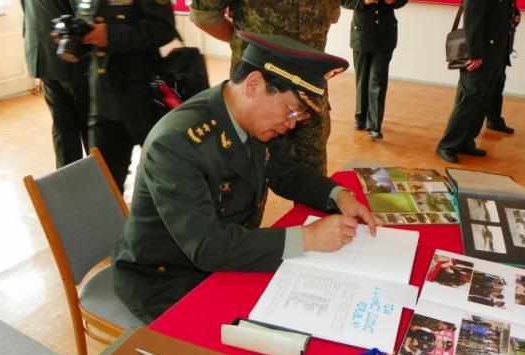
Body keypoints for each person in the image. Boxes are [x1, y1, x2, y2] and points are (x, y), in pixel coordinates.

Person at [111, 31, 380, 323]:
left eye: (299, 117)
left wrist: (338, 195)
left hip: (226, 260)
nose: (291, 125)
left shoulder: (252, 119)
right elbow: (207, 248)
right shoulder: (176, 143)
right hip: (167, 279)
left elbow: (285, 172)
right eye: (292, 111)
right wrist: (308, 237)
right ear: (254, 85)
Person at [188, 0, 343, 176]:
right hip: (259, 89)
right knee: (249, 176)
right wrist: (245, 43)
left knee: (311, 175)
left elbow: (333, 13)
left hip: (309, 93)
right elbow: (204, 16)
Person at [75, 0, 176, 191]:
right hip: (102, 101)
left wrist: (110, 35)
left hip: (142, 100)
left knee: (165, 178)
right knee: (104, 185)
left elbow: (164, 29)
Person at [436, 0, 517, 164]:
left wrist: (516, 14)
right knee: (469, 99)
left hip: (496, 52)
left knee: (482, 100)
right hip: (481, 53)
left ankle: (465, 141)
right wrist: (475, 54)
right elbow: (472, 19)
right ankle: (447, 145)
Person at [21, 0, 89, 168]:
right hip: (71, 57)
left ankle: (68, 177)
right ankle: (99, 174)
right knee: (90, 123)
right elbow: (84, 16)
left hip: (41, 54)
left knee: (63, 124)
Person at [342, 0, 407, 140]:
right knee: (362, 79)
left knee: (377, 81)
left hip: (385, 35)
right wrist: (363, 1)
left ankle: (374, 126)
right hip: (361, 34)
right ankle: (360, 117)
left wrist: (394, 1)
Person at [485, 6, 521, 134]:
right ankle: (461, 134)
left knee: (497, 87)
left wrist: (516, 18)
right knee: (475, 93)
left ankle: (494, 121)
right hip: (487, 50)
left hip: (501, 49)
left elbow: (509, 17)